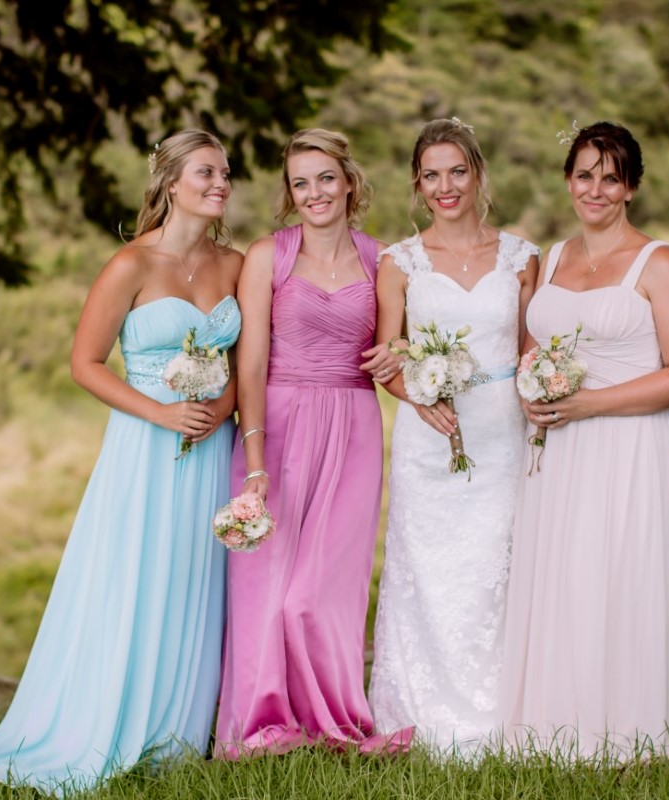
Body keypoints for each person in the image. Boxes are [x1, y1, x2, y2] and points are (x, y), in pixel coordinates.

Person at [0, 130, 243, 795]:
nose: (221, 183)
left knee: (194, 578)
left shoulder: (236, 264)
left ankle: (175, 734)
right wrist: (160, 414)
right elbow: (84, 364)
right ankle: (99, 724)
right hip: (145, 448)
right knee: (134, 578)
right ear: (171, 183)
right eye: (207, 172)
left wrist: (222, 408)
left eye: (225, 173)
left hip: (212, 447)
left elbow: (247, 364)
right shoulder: (130, 264)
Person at [498, 121, 669, 762]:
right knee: (559, 578)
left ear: (631, 188)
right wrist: (529, 393)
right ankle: (548, 730)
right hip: (556, 450)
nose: (595, 189)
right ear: (568, 181)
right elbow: (532, 347)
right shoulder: (553, 257)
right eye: (584, 175)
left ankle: (617, 735)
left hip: (626, 447)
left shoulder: (659, 263)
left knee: (611, 578)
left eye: (610, 178)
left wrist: (588, 403)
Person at [214, 128, 408, 757]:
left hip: (353, 428)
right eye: (301, 183)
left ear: (349, 182)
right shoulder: (267, 256)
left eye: (326, 178)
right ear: (290, 193)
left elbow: (394, 349)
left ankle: (331, 718)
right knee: (266, 588)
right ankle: (261, 721)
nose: (315, 193)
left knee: (322, 591)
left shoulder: (384, 260)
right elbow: (249, 367)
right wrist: (254, 462)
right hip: (277, 424)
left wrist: (405, 360)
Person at [367, 117, 540, 759]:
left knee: (496, 569)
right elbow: (387, 358)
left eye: (457, 171)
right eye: (431, 175)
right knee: (429, 570)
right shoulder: (399, 262)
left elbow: (530, 352)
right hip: (428, 440)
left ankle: (503, 708)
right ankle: (419, 711)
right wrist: (418, 394)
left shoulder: (522, 258)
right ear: (417, 184)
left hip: (502, 435)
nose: (446, 186)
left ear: (478, 174)